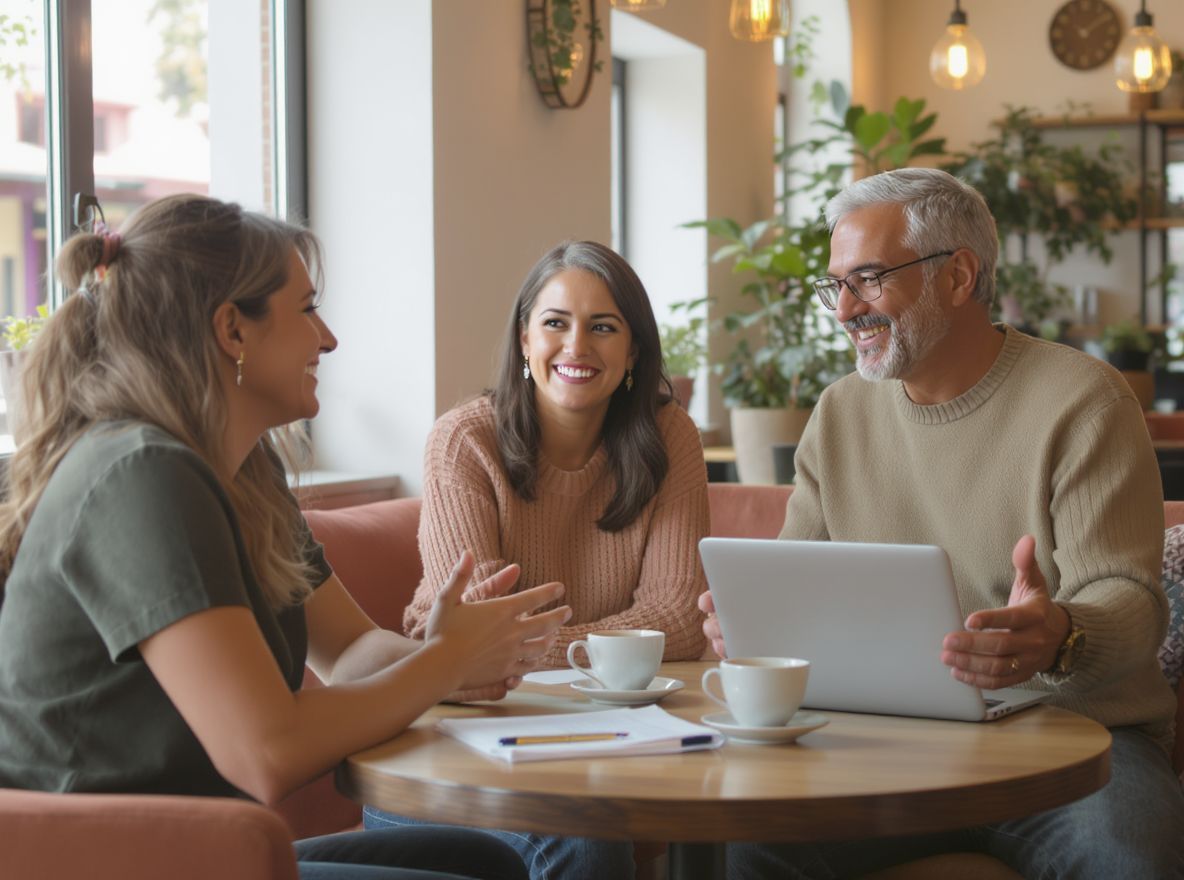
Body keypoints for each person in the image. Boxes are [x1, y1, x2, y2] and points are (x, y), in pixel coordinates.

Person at [0, 194, 573, 880]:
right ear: (232, 332)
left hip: (204, 846)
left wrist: (455, 659)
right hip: (109, 862)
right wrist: (441, 665)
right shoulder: (140, 475)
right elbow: (265, 754)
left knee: (479, 861)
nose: (328, 338)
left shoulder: (243, 471)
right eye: (306, 309)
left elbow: (354, 650)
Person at [700, 167, 1184, 879]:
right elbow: (793, 586)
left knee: (1125, 860)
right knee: (748, 841)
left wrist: (1060, 635)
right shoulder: (839, 415)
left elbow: (1132, 600)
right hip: (888, 748)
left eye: (867, 279)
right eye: (836, 284)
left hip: (1078, 741)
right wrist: (750, 629)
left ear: (958, 276)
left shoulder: (1084, 400)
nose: (844, 310)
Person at [368, 240, 711, 879]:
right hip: (455, 745)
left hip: (613, 740)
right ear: (525, 340)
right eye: (555, 323)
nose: (576, 346)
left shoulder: (669, 437)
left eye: (603, 327)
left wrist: (524, 647)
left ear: (633, 351)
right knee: (585, 842)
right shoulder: (465, 440)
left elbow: (681, 619)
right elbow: (471, 639)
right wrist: (617, 647)